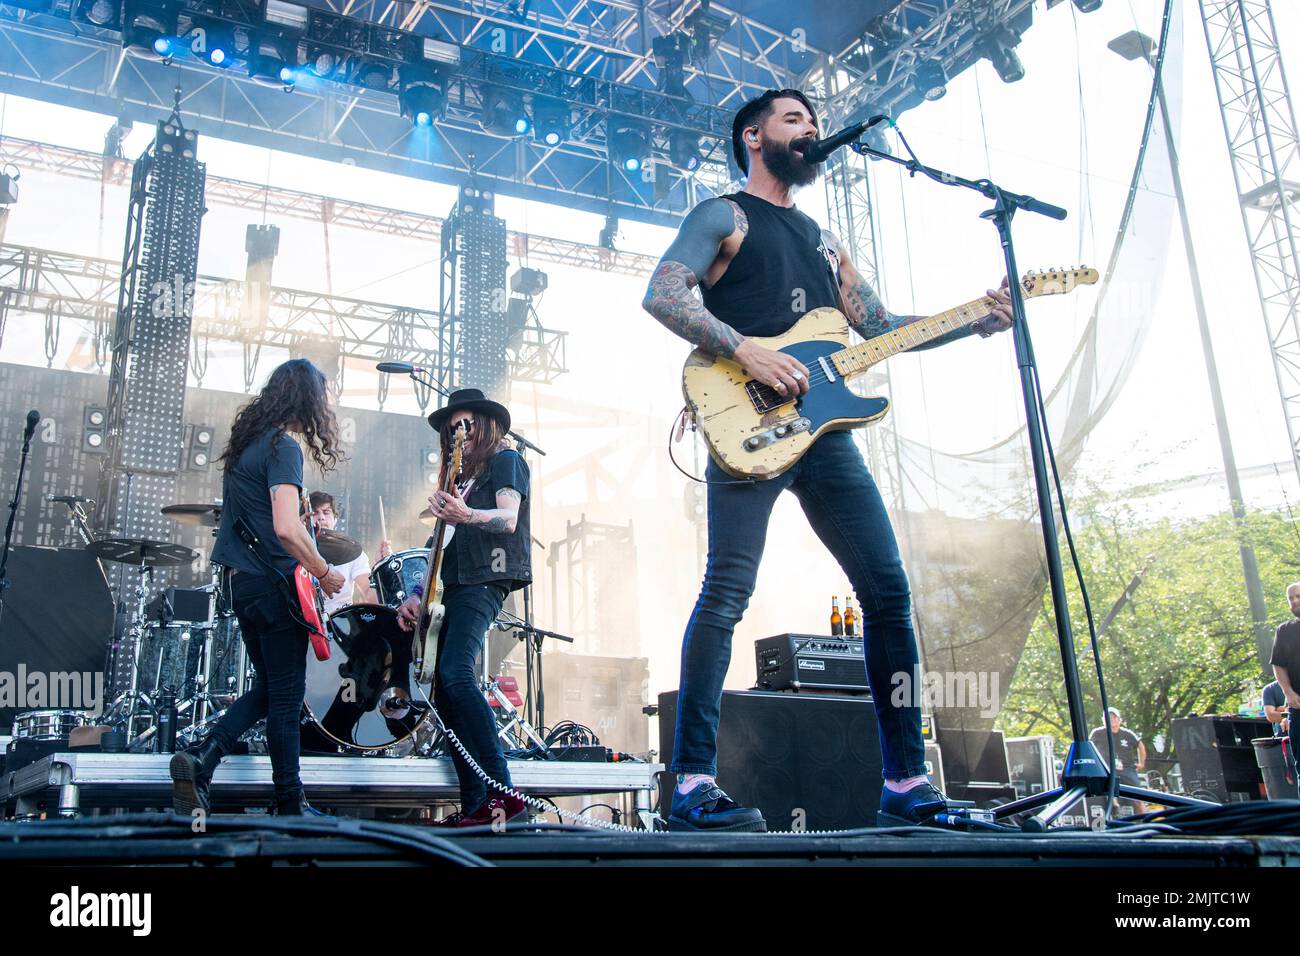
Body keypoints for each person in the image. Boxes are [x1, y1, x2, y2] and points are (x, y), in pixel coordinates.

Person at [640, 88, 1014, 831]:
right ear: (754, 136)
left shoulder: (824, 238)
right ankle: (688, 784)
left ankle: (906, 781)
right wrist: (748, 350)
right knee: (725, 592)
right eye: (793, 119)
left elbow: (876, 325)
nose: (810, 129)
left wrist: (973, 319)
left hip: (829, 433)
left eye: (813, 120)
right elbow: (663, 292)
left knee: (888, 592)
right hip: (747, 417)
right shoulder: (725, 214)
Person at [170, 358, 345, 816]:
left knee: (270, 687)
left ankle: (203, 757)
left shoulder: (247, 447)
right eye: (325, 395)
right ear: (306, 399)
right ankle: (289, 800)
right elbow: (287, 528)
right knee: (287, 697)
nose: (328, 404)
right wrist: (324, 573)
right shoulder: (283, 447)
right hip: (274, 585)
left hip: (243, 585)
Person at [396, 388, 533, 828]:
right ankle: (477, 805)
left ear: (487, 425)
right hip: (452, 584)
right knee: (444, 693)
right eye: (454, 426)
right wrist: (417, 594)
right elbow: (438, 545)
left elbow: (507, 519)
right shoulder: (456, 482)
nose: (460, 431)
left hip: (485, 579)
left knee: (456, 673)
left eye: (468, 423)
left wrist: (466, 514)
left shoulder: (505, 461)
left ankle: (505, 795)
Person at [307, 490, 382, 614]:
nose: (321, 517)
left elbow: (371, 597)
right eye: (315, 512)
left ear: (336, 519)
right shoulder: (295, 550)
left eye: (326, 512)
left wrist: (380, 566)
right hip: (303, 621)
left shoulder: (352, 552)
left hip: (341, 624)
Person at [1269, 582, 1300, 797]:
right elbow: (1278, 664)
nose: (1295, 601)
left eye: (1298, 596)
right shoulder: (1285, 630)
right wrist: (1288, 692)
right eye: (1291, 598)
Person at [1089, 707, 1146, 814]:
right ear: (1103, 720)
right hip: (1107, 768)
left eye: (1114, 718)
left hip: (1127, 768)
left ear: (1119, 719)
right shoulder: (1097, 733)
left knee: (1138, 797)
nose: (1111, 720)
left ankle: (1146, 820)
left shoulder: (1127, 733)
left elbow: (1140, 745)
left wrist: (1141, 763)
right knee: (1110, 792)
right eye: (1108, 718)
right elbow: (1088, 747)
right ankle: (1115, 811)